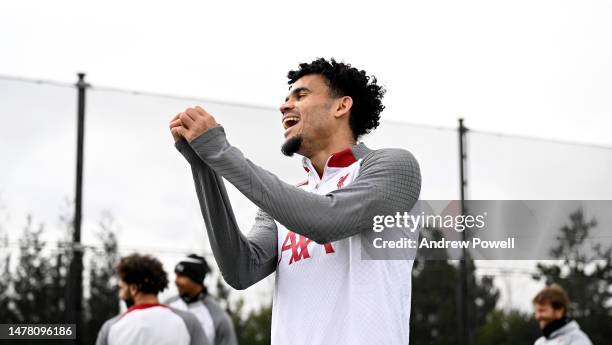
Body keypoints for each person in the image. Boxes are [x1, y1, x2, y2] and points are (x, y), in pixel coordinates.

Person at [169, 58, 421, 345]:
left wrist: (220, 152)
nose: (284, 106)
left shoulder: (394, 167)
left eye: (301, 95)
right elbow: (240, 270)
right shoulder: (285, 201)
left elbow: (325, 220)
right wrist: (203, 165)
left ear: (342, 106)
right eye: (286, 98)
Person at [95, 253, 209, 345]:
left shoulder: (111, 327)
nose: (120, 295)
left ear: (134, 288)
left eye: (121, 288)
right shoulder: (189, 322)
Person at [165, 254, 237, 345]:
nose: (176, 281)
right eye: (176, 275)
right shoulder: (167, 306)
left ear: (196, 279)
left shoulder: (219, 316)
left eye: (181, 276)